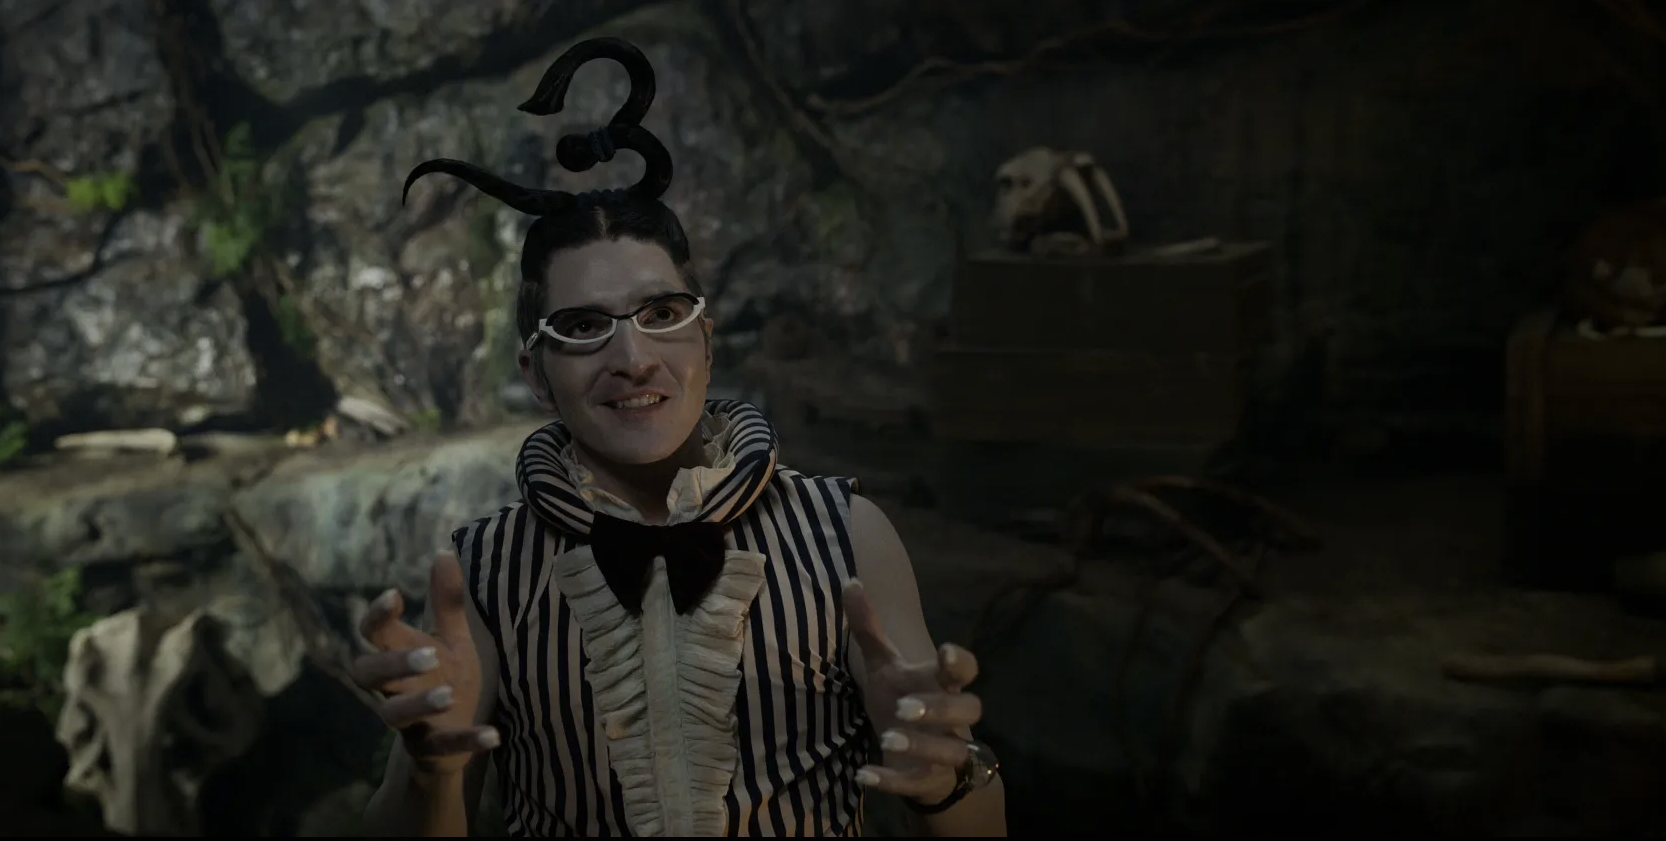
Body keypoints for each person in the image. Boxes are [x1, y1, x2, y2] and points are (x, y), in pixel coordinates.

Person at [351, 37, 1006, 838]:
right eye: (583, 326)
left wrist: (945, 775)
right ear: (536, 373)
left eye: (662, 314)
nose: (633, 358)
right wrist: (430, 770)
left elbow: (980, 820)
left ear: (706, 340)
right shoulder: (483, 570)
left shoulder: (848, 534)